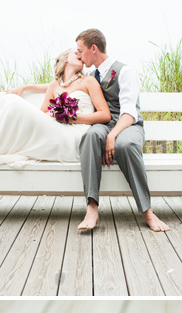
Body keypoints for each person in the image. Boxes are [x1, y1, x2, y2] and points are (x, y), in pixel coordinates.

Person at [10, 29, 168, 232]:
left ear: (93, 48)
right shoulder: (92, 75)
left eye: (80, 50)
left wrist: (112, 135)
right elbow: (61, 85)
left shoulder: (124, 72)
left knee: (126, 145)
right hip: (102, 125)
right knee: (91, 136)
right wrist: (25, 87)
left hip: (127, 124)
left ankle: (147, 211)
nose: (79, 56)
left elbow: (130, 112)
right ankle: (92, 207)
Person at [0, 49, 110, 167]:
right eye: (76, 53)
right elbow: (42, 113)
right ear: (66, 58)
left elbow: (105, 115)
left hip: (75, 137)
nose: (81, 55)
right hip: (55, 131)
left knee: (12, 101)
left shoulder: (88, 81)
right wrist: (50, 111)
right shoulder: (54, 85)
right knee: (8, 100)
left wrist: (73, 118)